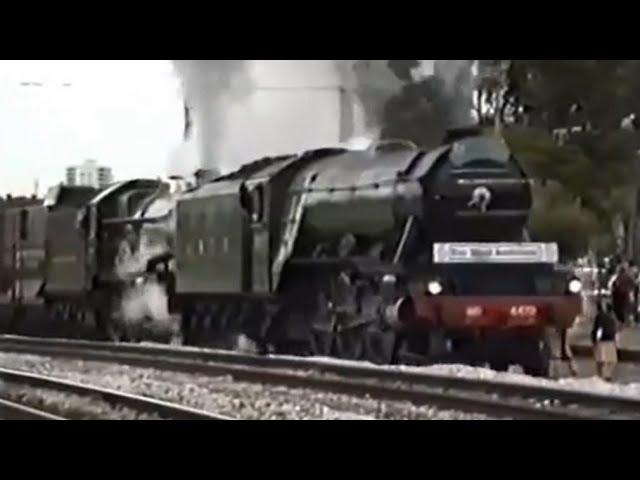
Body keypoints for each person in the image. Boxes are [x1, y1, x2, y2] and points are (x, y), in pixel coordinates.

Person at [591, 301, 618, 381]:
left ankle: (601, 376)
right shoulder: (612, 316)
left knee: (600, 360)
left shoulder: (600, 316)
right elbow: (615, 330)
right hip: (610, 339)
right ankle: (607, 375)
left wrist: (595, 340)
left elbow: (598, 329)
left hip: (603, 339)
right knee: (611, 360)